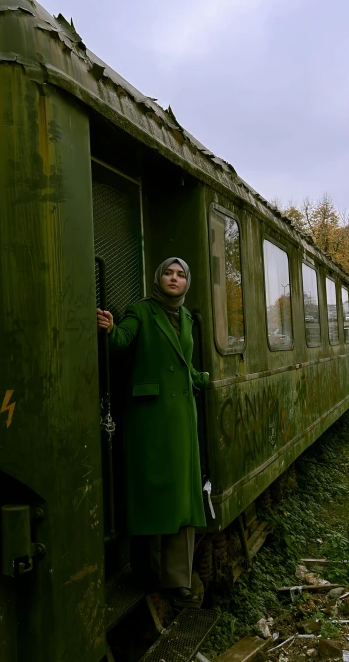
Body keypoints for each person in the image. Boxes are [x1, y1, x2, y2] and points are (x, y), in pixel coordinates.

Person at [97, 257, 210, 608]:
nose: (173, 279)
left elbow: (184, 362)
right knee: (149, 493)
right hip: (149, 419)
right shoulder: (141, 311)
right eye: (168, 273)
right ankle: (145, 571)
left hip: (181, 419)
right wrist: (110, 329)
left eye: (180, 274)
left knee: (183, 499)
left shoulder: (188, 317)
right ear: (158, 278)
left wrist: (201, 379)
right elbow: (121, 341)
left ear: (187, 282)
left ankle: (177, 579)